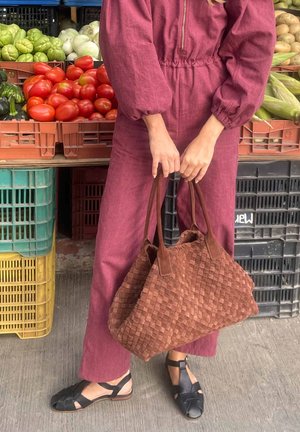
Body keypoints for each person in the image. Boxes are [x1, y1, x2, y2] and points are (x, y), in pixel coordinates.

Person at [51, 0, 276, 419]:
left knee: (209, 238)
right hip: (144, 104)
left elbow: (255, 41)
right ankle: (110, 372)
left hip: (215, 103)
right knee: (118, 240)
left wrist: (214, 130)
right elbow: (127, 37)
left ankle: (180, 355)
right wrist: (155, 126)